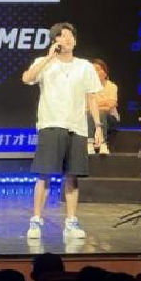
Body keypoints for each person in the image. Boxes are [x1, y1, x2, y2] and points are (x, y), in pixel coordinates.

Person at [22, 22, 103, 240]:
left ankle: (71, 222)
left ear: (75, 40)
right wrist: (48, 58)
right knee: (44, 174)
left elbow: (92, 97)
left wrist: (97, 126)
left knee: (72, 176)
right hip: (51, 123)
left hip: (76, 126)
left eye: (70, 35)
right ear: (54, 41)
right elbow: (27, 78)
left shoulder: (85, 66)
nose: (67, 39)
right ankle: (36, 220)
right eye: (62, 35)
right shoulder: (43, 63)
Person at [87, 59, 120, 155]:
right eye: (93, 70)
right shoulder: (88, 87)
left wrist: (93, 106)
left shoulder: (112, 86)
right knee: (91, 114)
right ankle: (90, 144)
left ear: (105, 72)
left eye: (98, 69)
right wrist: (104, 103)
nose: (95, 72)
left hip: (110, 119)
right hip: (91, 117)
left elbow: (110, 105)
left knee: (100, 113)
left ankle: (103, 143)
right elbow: (85, 106)